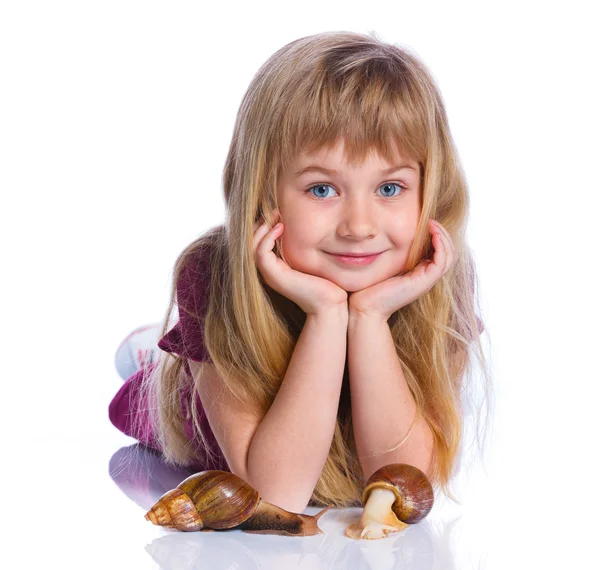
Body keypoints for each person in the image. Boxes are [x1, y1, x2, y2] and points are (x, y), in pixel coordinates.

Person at [109, 30, 493, 513]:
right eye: (321, 190)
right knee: (145, 390)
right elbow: (277, 493)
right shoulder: (214, 273)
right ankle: (158, 354)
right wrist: (328, 314)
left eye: (390, 189)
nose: (359, 227)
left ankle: (156, 342)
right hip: (195, 410)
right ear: (265, 191)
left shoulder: (441, 276)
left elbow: (402, 487)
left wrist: (369, 318)